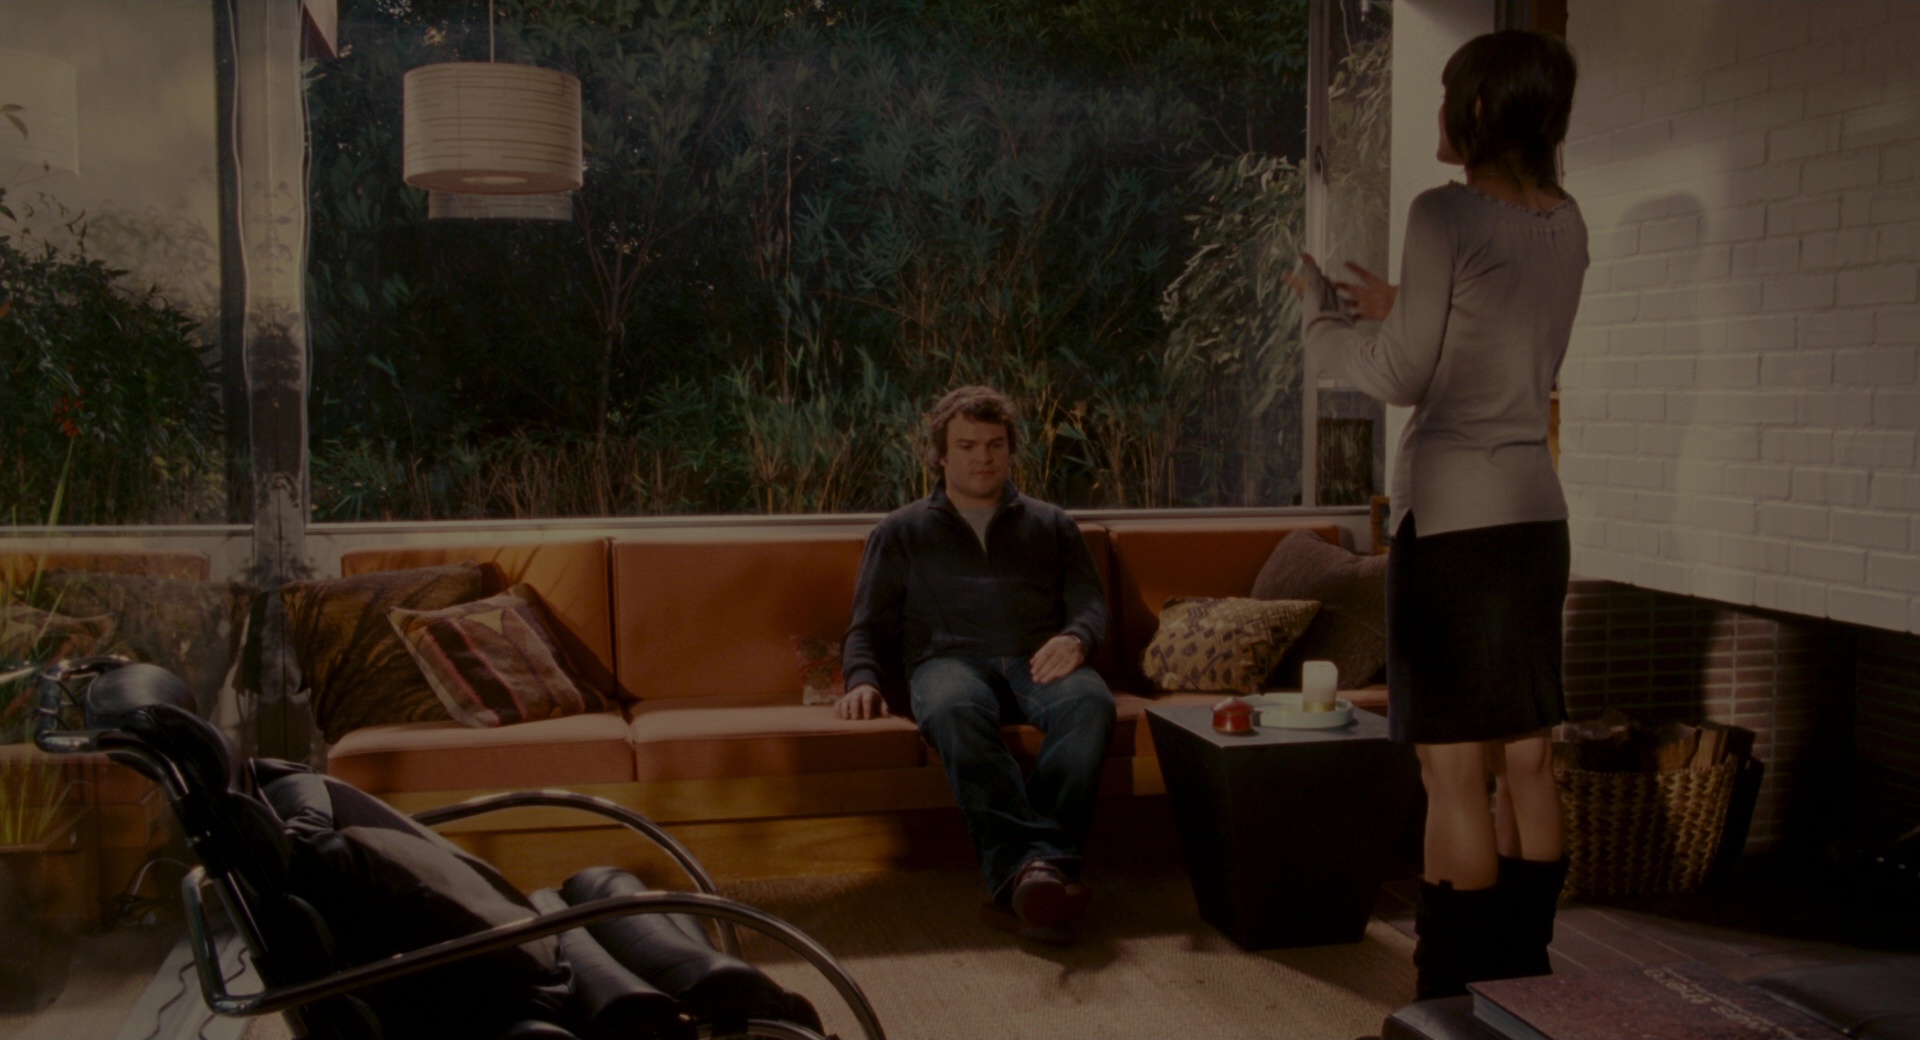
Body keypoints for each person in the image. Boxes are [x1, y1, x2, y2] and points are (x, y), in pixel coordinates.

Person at [1291, 30, 1584, 999]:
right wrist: (1402, 300)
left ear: (1482, 109)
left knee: (1452, 766)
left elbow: (1402, 373)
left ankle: (1450, 991)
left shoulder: (1442, 211)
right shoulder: (1567, 221)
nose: (1440, 108)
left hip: (1454, 524)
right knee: (1527, 756)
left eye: (1450, 91)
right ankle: (1524, 977)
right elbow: (1498, 330)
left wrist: (1323, 319)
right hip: (1534, 522)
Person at [837, 385, 1115, 945]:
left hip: (1038, 658)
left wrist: (1077, 638)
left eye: (995, 445)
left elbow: (1089, 604)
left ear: (1010, 450)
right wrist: (861, 679)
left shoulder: (1052, 524)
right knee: (952, 710)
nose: (983, 458)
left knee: (1091, 703)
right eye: (967, 446)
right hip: (947, 662)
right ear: (941, 455)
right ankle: (1041, 872)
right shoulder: (901, 530)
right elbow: (867, 623)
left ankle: (1026, 875)